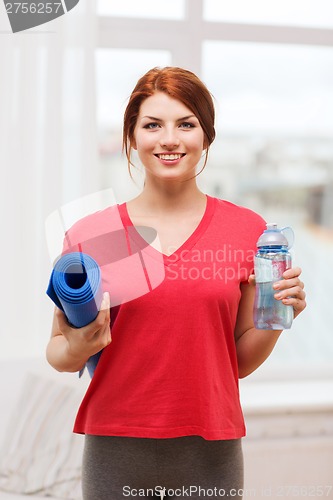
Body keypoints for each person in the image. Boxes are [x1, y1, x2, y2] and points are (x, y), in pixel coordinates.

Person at [46, 67, 306, 499]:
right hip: (116, 447)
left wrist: (278, 315)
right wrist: (79, 345)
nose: (169, 139)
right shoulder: (92, 235)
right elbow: (58, 352)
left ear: (206, 136)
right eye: (152, 125)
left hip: (210, 451)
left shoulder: (249, 231)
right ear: (132, 137)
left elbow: (235, 363)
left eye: (186, 124)